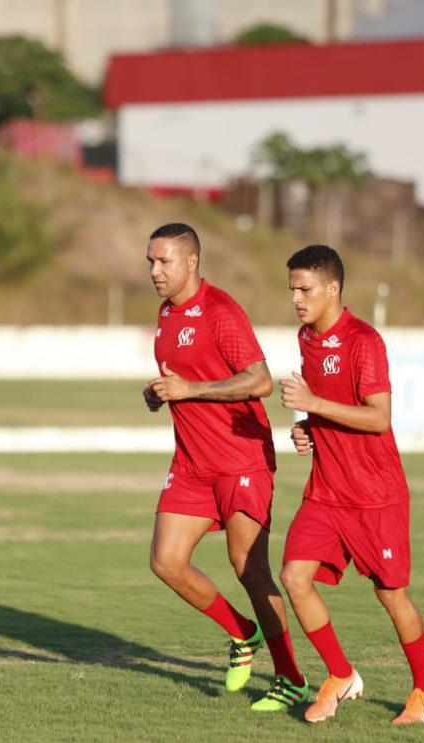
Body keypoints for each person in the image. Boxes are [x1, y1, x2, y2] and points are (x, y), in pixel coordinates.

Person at [143, 222, 307, 712]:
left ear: (191, 262)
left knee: (249, 569)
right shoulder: (166, 314)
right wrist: (157, 394)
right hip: (193, 464)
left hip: (241, 459)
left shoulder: (221, 311)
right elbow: (185, 377)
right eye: (150, 261)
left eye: (164, 261)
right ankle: (242, 633)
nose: (154, 271)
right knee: (165, 562)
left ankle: (292, 678)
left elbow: (259, 381)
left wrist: (191, 391)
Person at [278, 244, 424, 725]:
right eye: (292, 288)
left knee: (391, 595)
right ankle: (341, 674)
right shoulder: (306, 339)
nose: (296, 298)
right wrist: (306, 427)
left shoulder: (364, 341)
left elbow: (378, 418)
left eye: (305, 288)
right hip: (326, 490)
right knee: (294, 576)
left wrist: (314, 404)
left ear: (333, 289)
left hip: (375, 494)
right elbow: (322, 405)